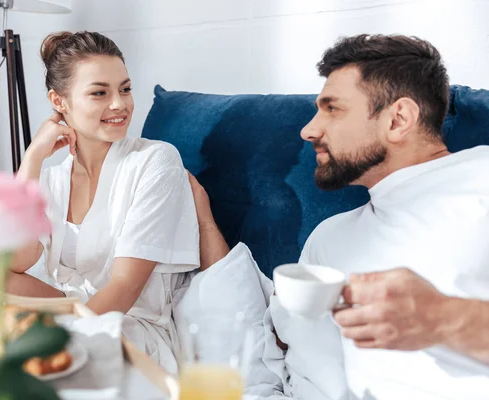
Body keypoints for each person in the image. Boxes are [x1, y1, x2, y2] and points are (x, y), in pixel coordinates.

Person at [188, 34, 489, 399]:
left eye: (333, 109)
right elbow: (292, 356)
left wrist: (445, 318)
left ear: (398, 119)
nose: (308, 130)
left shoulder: (480, 179)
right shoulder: (329, 238)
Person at [0, 31, 200, 373]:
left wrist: (53, 343)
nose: (120, 104)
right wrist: (32, 159)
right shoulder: (53, 177)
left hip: (122, 325)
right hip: (64, 307)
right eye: (100, 92)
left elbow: (124, 286)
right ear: (59, 101)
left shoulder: (155, 161)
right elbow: (15, 261)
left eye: (125, 89)